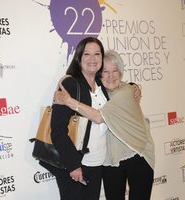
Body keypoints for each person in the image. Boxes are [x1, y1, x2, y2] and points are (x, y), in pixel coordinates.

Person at [39, 38, 141, 200]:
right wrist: (73, 165)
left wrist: (134, 86)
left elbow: (118, 86)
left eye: (97, 54)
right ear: (79, 57)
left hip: (98, 164)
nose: (92, 59)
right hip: (76, 165)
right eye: (87, 54)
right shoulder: (71, 84)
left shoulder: (102, 84)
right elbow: (58, 130)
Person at [54, 50, 155, 200]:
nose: (111, 76)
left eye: (115, 71)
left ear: (121, 73)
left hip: (138, 153)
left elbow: (99, 117)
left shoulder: (126, 91)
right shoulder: (100, 94)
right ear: (99, 74)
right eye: (105, 72)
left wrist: (69, 101)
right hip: (111, 160)